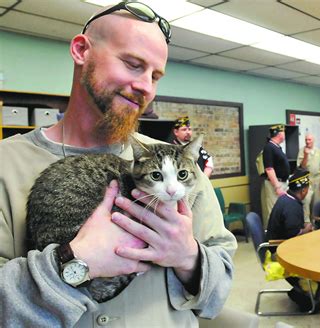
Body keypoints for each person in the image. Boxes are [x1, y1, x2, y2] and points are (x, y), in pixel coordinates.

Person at [0, 3, 237, 327]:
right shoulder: (5, 164)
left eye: (156, 76)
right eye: (132, 64)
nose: (146, 88)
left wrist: (189, 257)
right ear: (82, 50)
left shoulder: (181, 167)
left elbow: (220, 289)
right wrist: (70, 262)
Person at [265, 169, 319, 312]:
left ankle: (303, 290)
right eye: (307, 189)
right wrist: (306, 230)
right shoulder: (292, 207)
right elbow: (293, 237)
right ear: (303, 191)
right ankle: (310, 296)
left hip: (275, 246)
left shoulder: (285, 198)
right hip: (280, 251)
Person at [261, 124, 290, 227]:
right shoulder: (269, 147)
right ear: (280, 134)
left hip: (282, 183)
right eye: (284, 132)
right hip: (275, 184)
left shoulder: (277, 147)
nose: (284, 135)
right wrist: (277, 187)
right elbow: (269, 169)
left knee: (282, 210)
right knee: (274, 211)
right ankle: (272, 236)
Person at [297, 133, 320, 221]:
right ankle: (307, 222)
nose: (307, 142)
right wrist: (306, 155)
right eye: (306, 140)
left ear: (313, 140)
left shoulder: (318, 151)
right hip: (307, 180)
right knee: (306, 202)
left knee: (316, 202)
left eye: (309, 140)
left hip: (317, 179)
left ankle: (315, 222)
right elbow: (301, 166)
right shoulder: (302, 151)